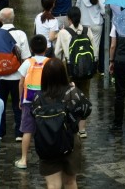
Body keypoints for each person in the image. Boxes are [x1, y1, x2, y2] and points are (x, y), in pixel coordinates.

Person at [32, 57, 92, 189]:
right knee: (70, 182)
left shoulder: (38, 97)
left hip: (47, 142)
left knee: (53, 185)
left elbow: (33, 116)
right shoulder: (72, 93)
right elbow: (87, 110)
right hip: (70, 140)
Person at [0, 8, 31, 141]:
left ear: (0, 19)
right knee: (18, 103)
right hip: (17, 76)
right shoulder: (21, 34)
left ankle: (0, 132)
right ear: (13, 18)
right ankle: (19, 132)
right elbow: (26, 58)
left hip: (0, 76)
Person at [54, 7, 94, 138]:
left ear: (68, 19)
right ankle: (82, 130)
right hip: (86, 68)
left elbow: (57, 53)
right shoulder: (88, 31)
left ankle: (70, 125)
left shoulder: (64, 32)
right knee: (84, 95)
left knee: (69, 95)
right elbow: (94, 50)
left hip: (69, 69)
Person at [15, 34, 50, 170]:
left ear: (30, 48)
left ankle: (23, 160)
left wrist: (20, 99)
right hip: (46, 100)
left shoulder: (27, 62)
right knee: (46, 129)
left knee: (27, 130)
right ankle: (47, 158)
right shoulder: (50, 62)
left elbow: (21, 82)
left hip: (28, 100)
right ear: (46, 47)